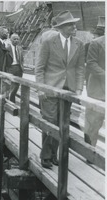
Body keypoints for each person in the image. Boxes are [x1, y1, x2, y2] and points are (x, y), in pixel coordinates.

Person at [35, 10, 85, 169]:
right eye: (71, 24)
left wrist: (78, 88)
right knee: (50, 122)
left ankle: (53, 154)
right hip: (50, 89)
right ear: (62, 27)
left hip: (68, 91)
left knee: (63, 123)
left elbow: (79, 69)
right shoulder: (49, 42)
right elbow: (40, 68)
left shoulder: (79, 44)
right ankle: (45, 156)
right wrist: (41, 89)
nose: (74, 27)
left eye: (74, 24)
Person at [84, 16, 105, 149]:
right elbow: (91, 63)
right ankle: (89, 151)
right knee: (93, 122)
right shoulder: (96, 43)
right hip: (98, 89)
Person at [5, 33, 24, 103]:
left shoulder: (20, 48)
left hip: (18, 68)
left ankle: (11, 99)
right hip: (10, 68)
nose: (16, 40)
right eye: (14, 39)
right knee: (10, 85)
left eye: (17, 39)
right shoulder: (7, 48)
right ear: (10, 40)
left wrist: (22, 66)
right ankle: (10, 101)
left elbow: (22, 58)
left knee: (16, 85)